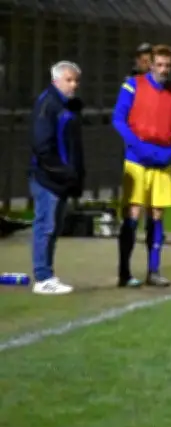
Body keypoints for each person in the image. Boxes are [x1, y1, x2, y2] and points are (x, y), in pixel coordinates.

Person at [112, 44, 171, 288]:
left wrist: (170, 152)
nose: (164, 70)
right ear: (150, 64)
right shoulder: (133, 85)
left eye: (168, 66)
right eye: (160, 65)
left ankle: (153, 271)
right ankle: (124, 272)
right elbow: (118, 119)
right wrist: (138, 147)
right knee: (133, 213)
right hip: (136, 159)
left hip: (161, 160)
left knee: (157, 213)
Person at [29, 61, 86, 295]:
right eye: (69, 80)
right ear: (56, 81)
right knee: (45, 226)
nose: (73, 85)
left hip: (62, 179)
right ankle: (42, 277)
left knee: (54, 227)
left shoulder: (68, 107)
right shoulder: (48, 104)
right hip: (47, 178)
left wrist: (76, 176)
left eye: (76, 81)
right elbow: (42, 146)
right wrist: (62, 172)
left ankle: (47, 273)